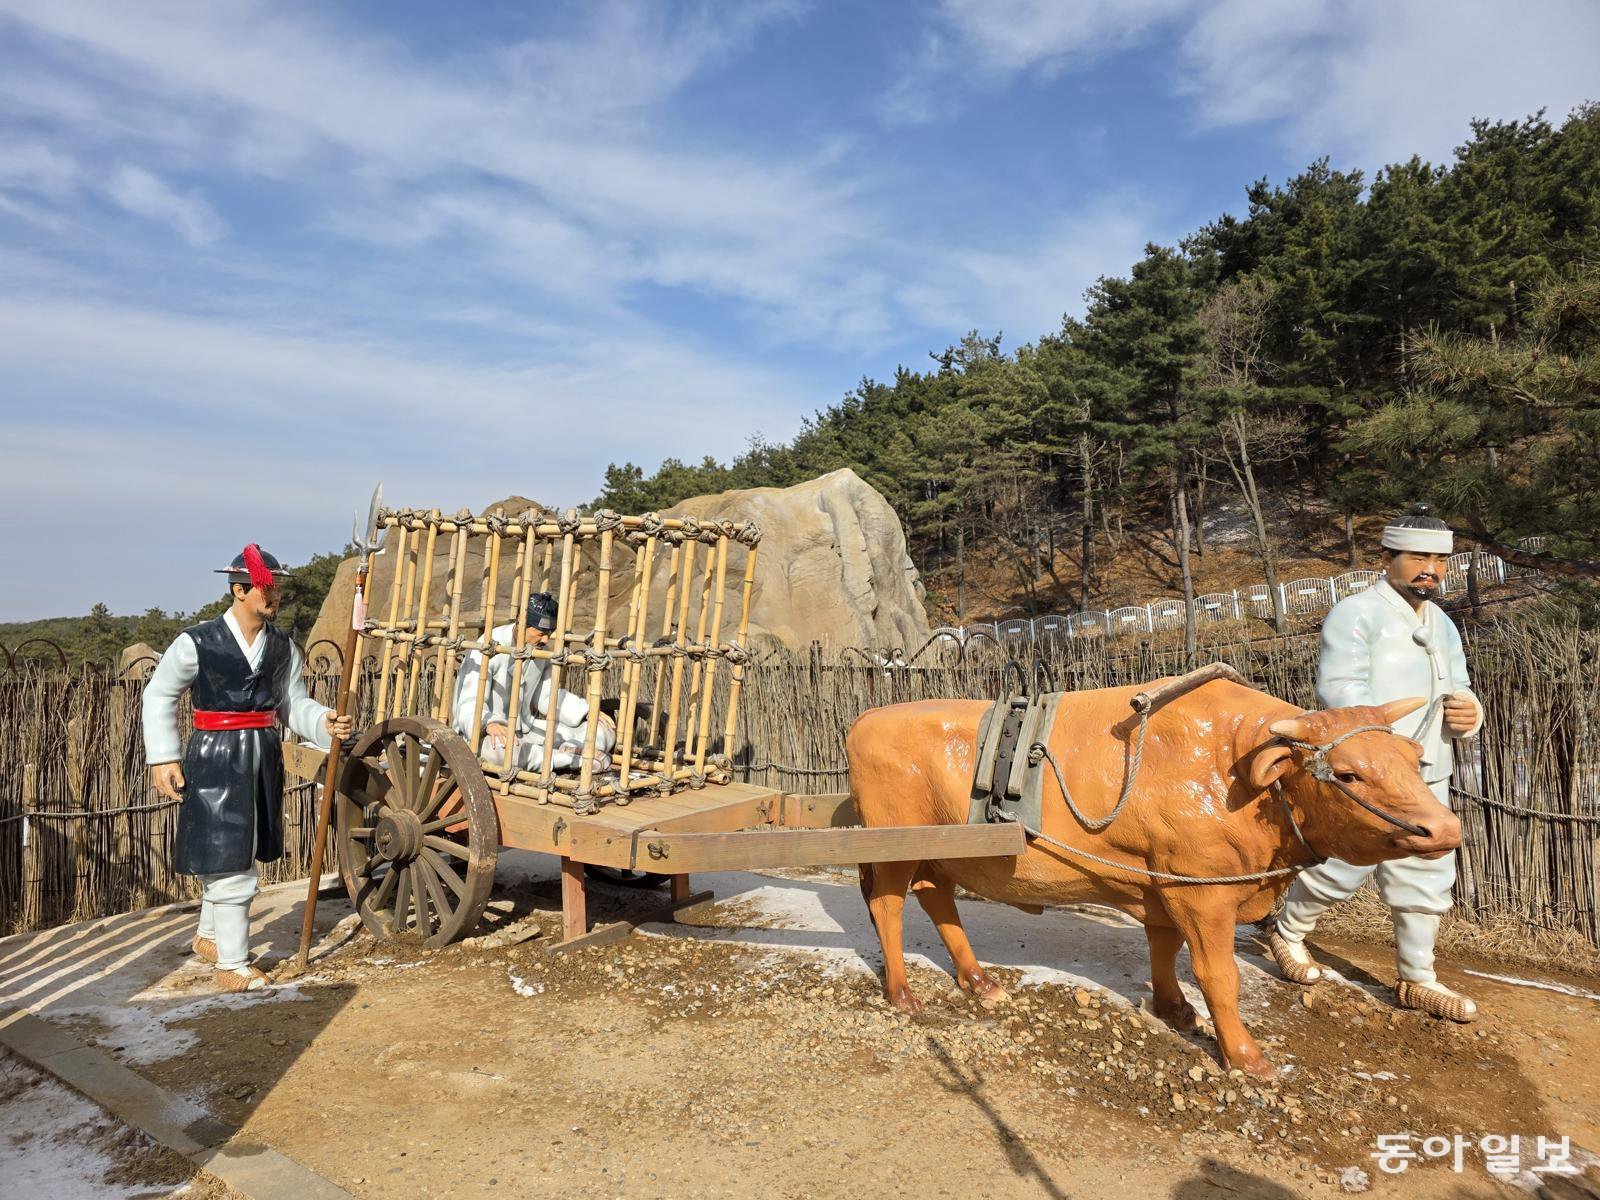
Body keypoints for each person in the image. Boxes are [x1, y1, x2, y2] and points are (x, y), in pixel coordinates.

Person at [1268, 506, 1484, 1021]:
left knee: (1427, 871)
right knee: (1342, 865)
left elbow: (1460, 684)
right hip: (1369, 775)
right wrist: (1379, 744)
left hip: (1429, 768)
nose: (1429, 567)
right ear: (1389, 557)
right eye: (1418, 556)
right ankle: (1287, 933)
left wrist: (1469, 711)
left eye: (1439, 558)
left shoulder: (1445, 624)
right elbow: (1339, 691)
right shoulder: (1356, 613)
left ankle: (1418, 978)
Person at [143, 546, 352, 992]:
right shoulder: (197, 641)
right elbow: (159, 694)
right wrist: (163, 756)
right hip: (216, 755)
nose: (274, 596)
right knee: (227, 851)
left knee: (241, 843)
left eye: (276, 587)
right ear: (239, 590)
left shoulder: (281, 646)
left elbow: (292, 703)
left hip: (261, 754)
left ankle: (210, 936)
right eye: (266, 587)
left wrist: (323, 721)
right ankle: (233, 965)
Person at [451, 591, 616, 774]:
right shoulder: (489, 647)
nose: (546, 640)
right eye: (541, 633)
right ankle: (566, 759)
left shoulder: (539, 651)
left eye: (549, 633)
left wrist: (585, 711)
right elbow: (468, 701)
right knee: (498, 752)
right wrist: (488, 724)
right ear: (522, 622)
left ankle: (572, 750)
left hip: (527, 732)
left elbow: (547, 696)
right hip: (486, 736)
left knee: (602, 730)